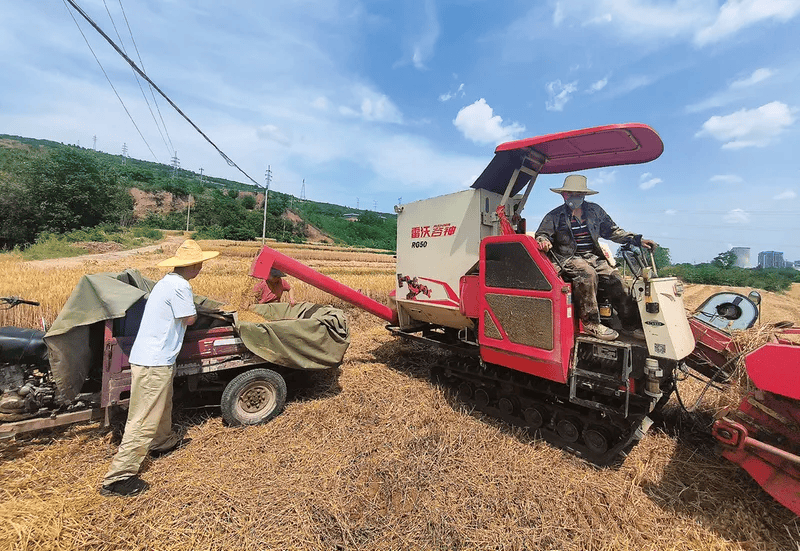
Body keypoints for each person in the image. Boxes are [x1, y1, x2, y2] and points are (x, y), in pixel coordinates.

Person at [100, 239, 218, 497]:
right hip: (155, 361)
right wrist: (197, 311)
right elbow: (188, 318)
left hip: (153, 357)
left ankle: (162, 442)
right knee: (143, 417)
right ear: (195, 265)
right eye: (201, 264)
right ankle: (118, 478)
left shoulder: (166, 282)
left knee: (162, 403)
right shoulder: (180, 287)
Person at [535, 174, 656, 342]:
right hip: (567, 258)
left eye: (577, 194)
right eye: (569, 194)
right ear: (563, 195)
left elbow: (613, 231)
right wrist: (544, 241)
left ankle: (630, 325)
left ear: (583, 196)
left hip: (592, 256)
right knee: (587, 274)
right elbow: (542, 235)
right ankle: (591, 323)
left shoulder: (595, 211)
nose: (573, 197)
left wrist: (637, 239)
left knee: (616, 280)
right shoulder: (554, 216)